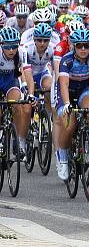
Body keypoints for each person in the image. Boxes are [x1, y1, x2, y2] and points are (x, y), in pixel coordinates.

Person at [54, 28, 89, 181]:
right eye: (80, 46)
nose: (84, 49)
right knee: (70, 123)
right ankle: (63, 156)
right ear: (74, 46)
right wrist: (66, 104)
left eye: (86, 45)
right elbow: (64, 85)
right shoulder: (67, 60)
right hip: (67, 91)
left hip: (84, 90)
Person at [0, 27, 35, 161]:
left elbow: (28, 75)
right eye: (7, 47)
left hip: (10, 80)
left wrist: (31, 94)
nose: (11, 50)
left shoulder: (22, 52)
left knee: (17, 106)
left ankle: (19, 142)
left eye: (14, 46)